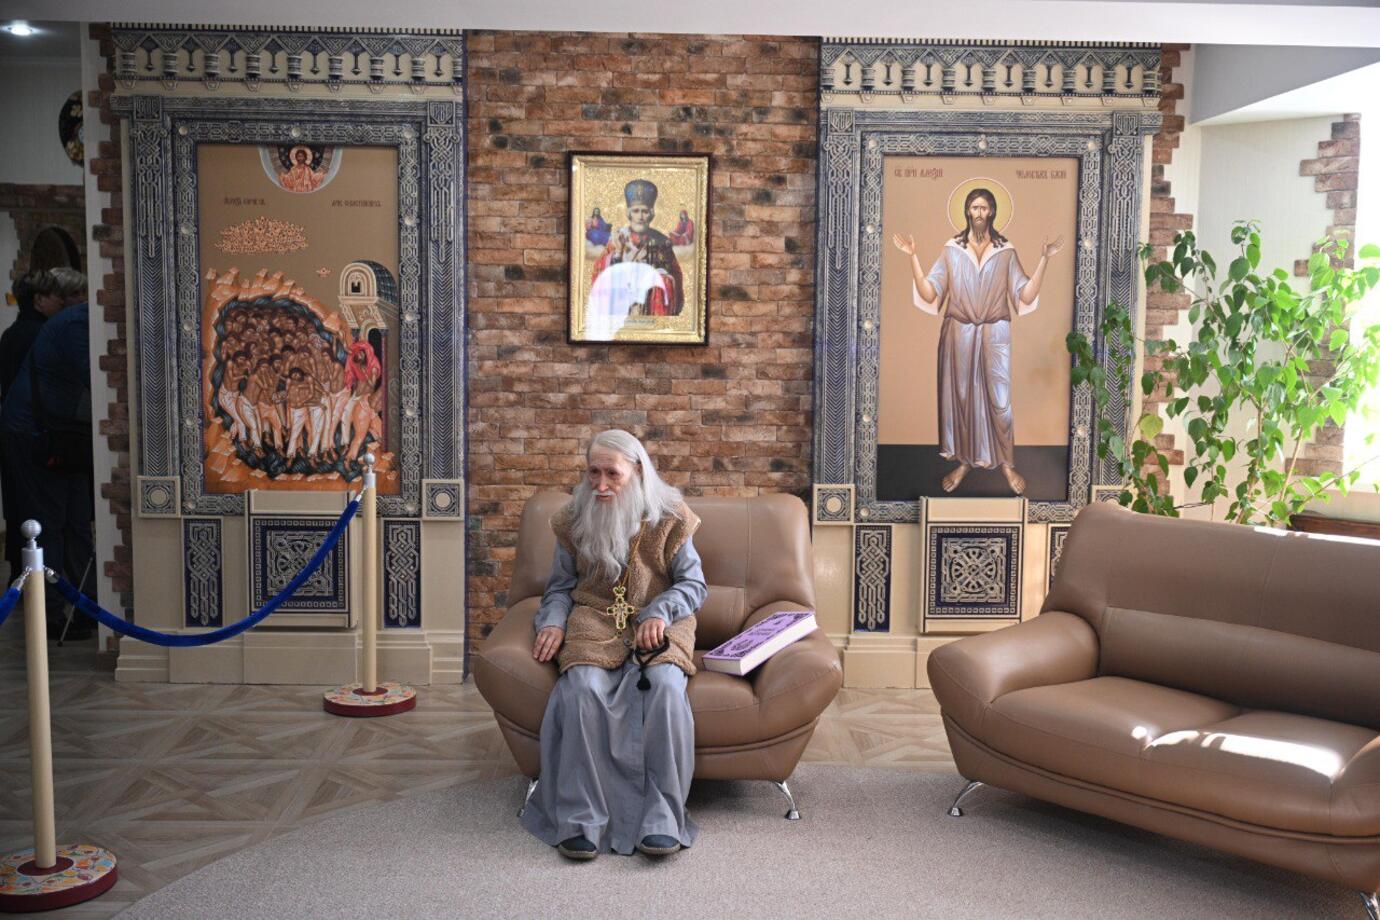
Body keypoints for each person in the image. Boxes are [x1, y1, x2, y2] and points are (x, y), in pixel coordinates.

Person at [522, 429, 707, 860]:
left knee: (665, 687)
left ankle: (662, 818)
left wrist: (660, 611)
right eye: (593, 473)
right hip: (595, 617)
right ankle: (580, 820)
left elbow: (694, 585)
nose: (601, 485)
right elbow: (559, 588)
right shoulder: (573, 518)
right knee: (581, 688)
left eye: (612, 474)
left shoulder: (672, 515)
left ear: (637, 471)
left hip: (660, 621)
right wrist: (553, 623)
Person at [891, 187, 1063, 495]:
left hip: (995, 333)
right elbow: (930, 294)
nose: (979, 213)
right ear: (967, 211)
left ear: (992, 211)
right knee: (962, 400)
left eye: (984, 208)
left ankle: (1007, 464)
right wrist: (913, 257)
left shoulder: (1005, 251)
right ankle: (965, 463)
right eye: (974, 208)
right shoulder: (952, 250)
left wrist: (1044, 259)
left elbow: (1025, 296)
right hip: (958, 333)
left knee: (1000, 401)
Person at [0, 267, 95, 639]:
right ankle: (52, 614)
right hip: (37, 436)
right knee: (49, 524)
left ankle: (86, 607)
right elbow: (97, 378)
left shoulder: (72, 323)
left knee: (75, 521)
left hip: (62, 434)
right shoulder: (75, 326)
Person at [1, 270, 53, 576]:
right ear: (39, 299)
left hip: (12, 428)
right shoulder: (40, 335)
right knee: (38, 506)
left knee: (17, 506)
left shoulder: (11, 334)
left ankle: (17, 571)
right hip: (32, 431)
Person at [590, 179, 685, 319]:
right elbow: (601, 276)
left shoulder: (662, 242)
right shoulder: (617, 238)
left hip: (651, 309)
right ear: (629, 213)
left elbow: (675, 276)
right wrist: (618, 253)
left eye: (645, 211)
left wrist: (660, 279)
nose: (640, 217)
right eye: (636, 211)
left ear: (651, 214)